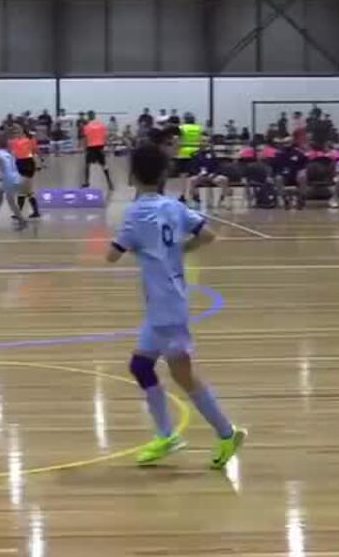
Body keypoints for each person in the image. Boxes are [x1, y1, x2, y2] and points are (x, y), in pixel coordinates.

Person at [108, 141, 245, 467]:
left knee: (182, 376)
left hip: (165, 308)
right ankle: (167, 435)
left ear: (132, 175)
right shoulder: (173, 206)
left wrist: (135, 244)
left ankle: (226, 433)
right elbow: (208, 235)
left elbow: (111, 255)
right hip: (167, 302)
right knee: (141, 367)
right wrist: (180, 251)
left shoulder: (136, 213)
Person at [8, 123, 41, 219]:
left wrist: (40, 163)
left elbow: (35, 151)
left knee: (23, 189)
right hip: (19, 163)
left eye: (17, 130)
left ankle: (19, 213)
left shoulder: (30, 140)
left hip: (28, 164)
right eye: (14, 131)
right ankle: (35, 212)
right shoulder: (13, 141)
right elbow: (13, 154)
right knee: (27, 190)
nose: (16, 132)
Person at [187, 140, 228, 209]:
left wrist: (214, 174)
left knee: (224, 179)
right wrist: (198, 173)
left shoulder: (213, 154)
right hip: (200, 176)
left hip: (212, 176)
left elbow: (218, 167)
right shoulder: (195, 154)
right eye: (203, 142)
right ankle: (193, 200)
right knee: (191, 180)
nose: (205, 144)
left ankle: (223, 199)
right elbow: (192, 168)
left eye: (206, 142)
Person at [81, 110, 114, 190]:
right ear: (94, 116)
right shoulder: (101, 125)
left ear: (89, 116)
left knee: (87, 166)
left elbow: (85, 138)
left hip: (91, 148)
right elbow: (105, 136)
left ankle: (86, 182)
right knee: (104, 165)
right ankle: (109, 182)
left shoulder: (87, 126)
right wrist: (105, 145)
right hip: (99, 147)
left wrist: (84, 149)